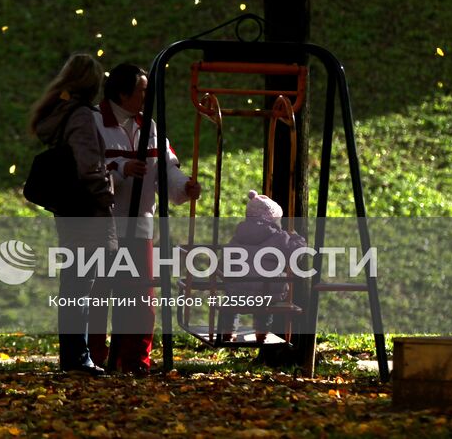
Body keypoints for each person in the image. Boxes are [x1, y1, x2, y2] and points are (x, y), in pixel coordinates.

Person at [90, 62, 202, 374]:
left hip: (139, 226)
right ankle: (95, 358)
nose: (147, 96)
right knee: (99, 293)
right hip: (103, 226)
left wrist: (184, 185)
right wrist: (121, 170)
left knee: (140, 297)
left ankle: (135, 361)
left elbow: (166, 167)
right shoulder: (94, 122)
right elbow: (88, 169)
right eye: (142, 90)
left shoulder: (149, 126)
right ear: (123, 93)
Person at [29, 52, 115, 375]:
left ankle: (75, 354)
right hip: (87, 211)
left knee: (76, 282)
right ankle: (77, 357)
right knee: (80, 284)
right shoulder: (81, 117)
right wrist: (105, 195)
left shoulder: (62, 113)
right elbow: (89, 164)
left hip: (69, 210)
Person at [218, 190, 307, 342]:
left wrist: (222, 273)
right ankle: (262, 333)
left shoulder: (238, 236)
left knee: (231, 302)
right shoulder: (280, 237)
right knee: (264, 303)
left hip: (236, 289)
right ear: (273, 218)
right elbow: (297, 254)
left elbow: (224, 261)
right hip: (267, 291)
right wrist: (295, 237)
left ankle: (228, 331)